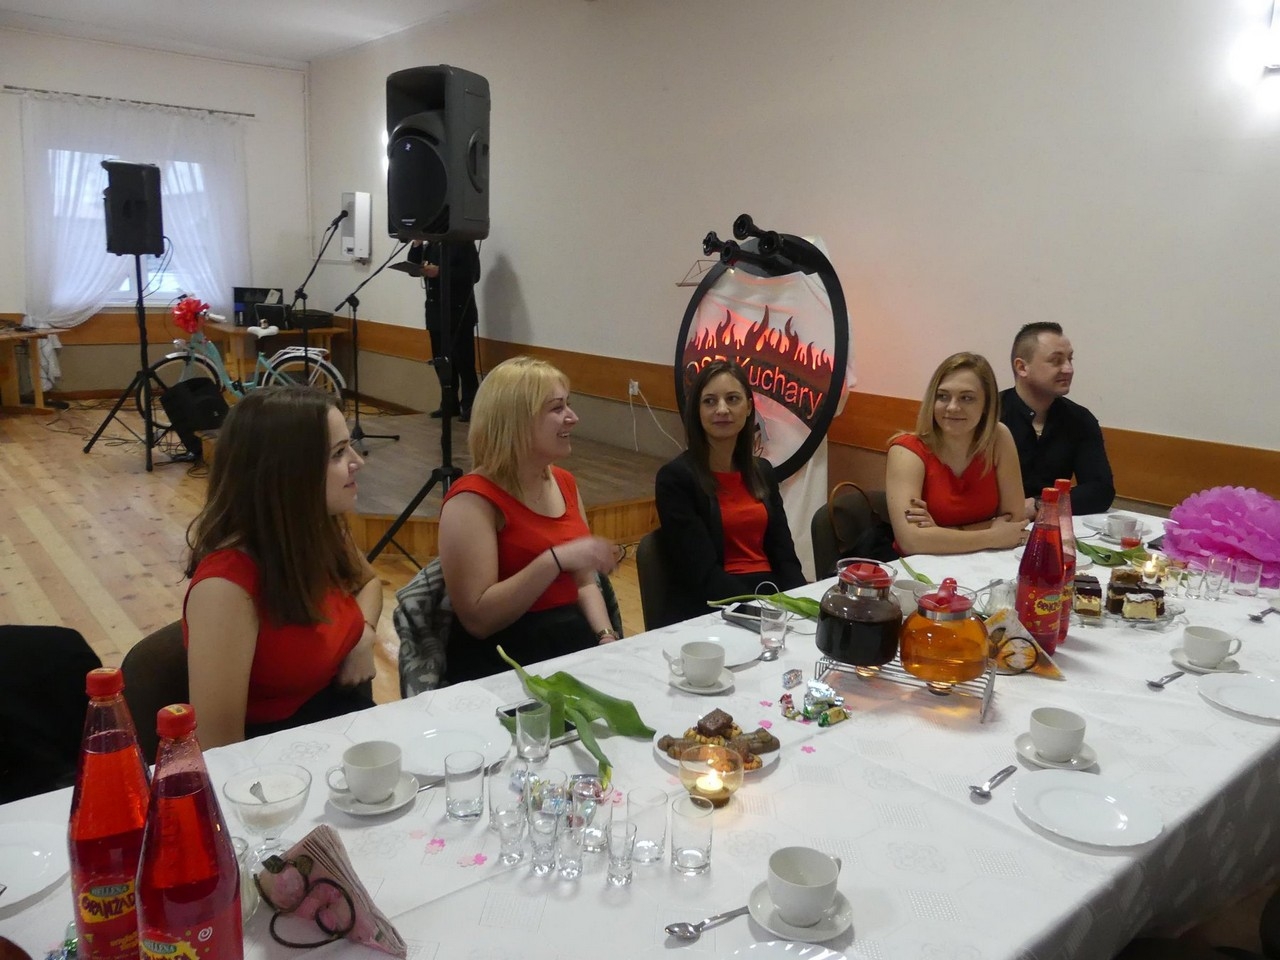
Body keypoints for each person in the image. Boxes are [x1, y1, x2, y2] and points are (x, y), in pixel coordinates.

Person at [183, 387, 379, 748]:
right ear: (290, 471)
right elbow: (218, 749)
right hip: (276, 756)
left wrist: (363, 634)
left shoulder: (317, 530)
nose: (358, 462)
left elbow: (369, 583)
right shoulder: (226, 587)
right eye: (338, 453)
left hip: (339, 727)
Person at [437, 356, 619, 683]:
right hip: (505, 660)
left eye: (569, 405)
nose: (573, 417)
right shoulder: (472, 499)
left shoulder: (564, 482)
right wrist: (554, 560)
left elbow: (584, 583)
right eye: (557, 408)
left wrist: (605, 636)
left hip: (570, 642)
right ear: (516, 421)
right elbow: (478, 620)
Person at [654, 360, 805, 624]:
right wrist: (762, 611)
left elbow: (785, 556)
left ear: (748, 407)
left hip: (770, 597)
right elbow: (701, 574)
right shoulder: (675, 479)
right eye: (710, 401)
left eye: (732, 399)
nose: (722, 409)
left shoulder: (763, 472)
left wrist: (801, 604)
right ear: (697, 411)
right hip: (715, 608)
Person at [886, 352, 1027, 556]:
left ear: (986, 405)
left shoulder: (998, 438)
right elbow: (911, 541)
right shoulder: (906, 451)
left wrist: (941, 533)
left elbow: (1015, 522)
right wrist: (992, 536)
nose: (952, 407)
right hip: (921, 567)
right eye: (943, 396)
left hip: (983, 562)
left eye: (966, 398)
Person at [999, 322, 1115, 518]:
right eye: (1056, 361)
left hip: (1050, 524)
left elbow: (1100, 490)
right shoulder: (989, 414)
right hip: (992, 523)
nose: (1068, 369)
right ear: (1022, 367)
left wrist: (1040, 505)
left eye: (1070, 359)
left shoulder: (1079, 419)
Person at [407, 239, 481, 421]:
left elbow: (472, 275)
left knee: (464, 362)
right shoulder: (431, 245)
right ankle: (449, 403)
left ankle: (470, 405)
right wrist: (416, 244)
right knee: (441, 361)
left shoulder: (463, 242)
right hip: (435, 312)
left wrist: (440, 271)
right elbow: (413, 267)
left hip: (459, 312)